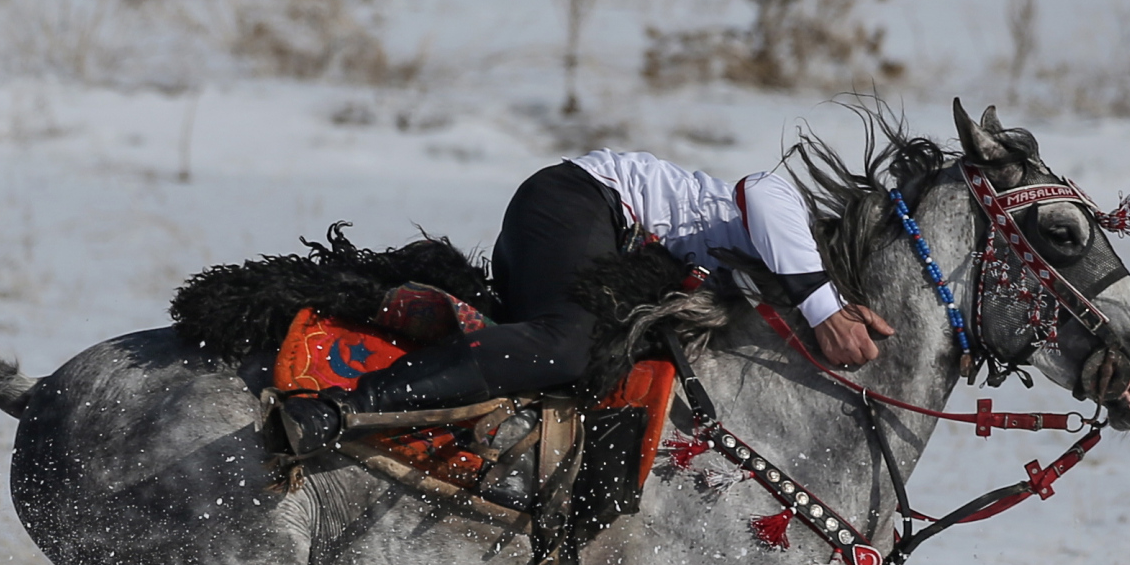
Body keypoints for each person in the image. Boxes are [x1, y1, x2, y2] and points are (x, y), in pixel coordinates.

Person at [280, 149, 896, 454]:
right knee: (567, 347)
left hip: (584, 237)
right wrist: (825, 311)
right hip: (579, 197)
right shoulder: (789, 213)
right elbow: (762, 195)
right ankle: (344, 408)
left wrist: (827, 303)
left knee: (581, 368)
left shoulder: (788, 280)